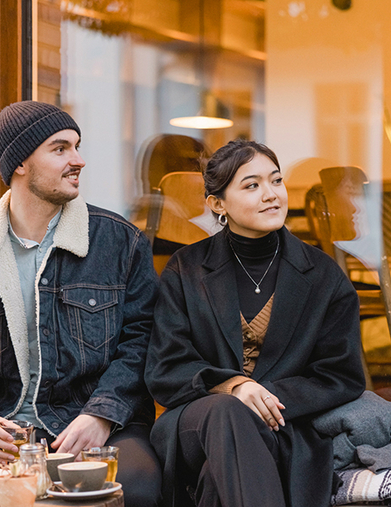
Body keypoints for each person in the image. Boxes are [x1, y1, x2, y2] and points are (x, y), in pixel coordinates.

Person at [0, 101, 161, 506]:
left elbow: (142, 342)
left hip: (93, 423)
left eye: (77, 146)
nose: (78, 160)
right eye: (60, 149)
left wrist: (101, 415)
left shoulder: (120, 243)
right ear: (20, 163)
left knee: (137, 485)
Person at [145, 139, 366, 507]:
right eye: (252, 185)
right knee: (228, 412)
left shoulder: (324, 275)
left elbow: (340, 374)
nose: (271, 195)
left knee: (218, 479)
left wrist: (264, 400)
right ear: (217, 204)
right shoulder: (186, 268)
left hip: (285, 424)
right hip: (196, 422)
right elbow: (166, 369)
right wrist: (233, 386)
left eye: (276, 181)